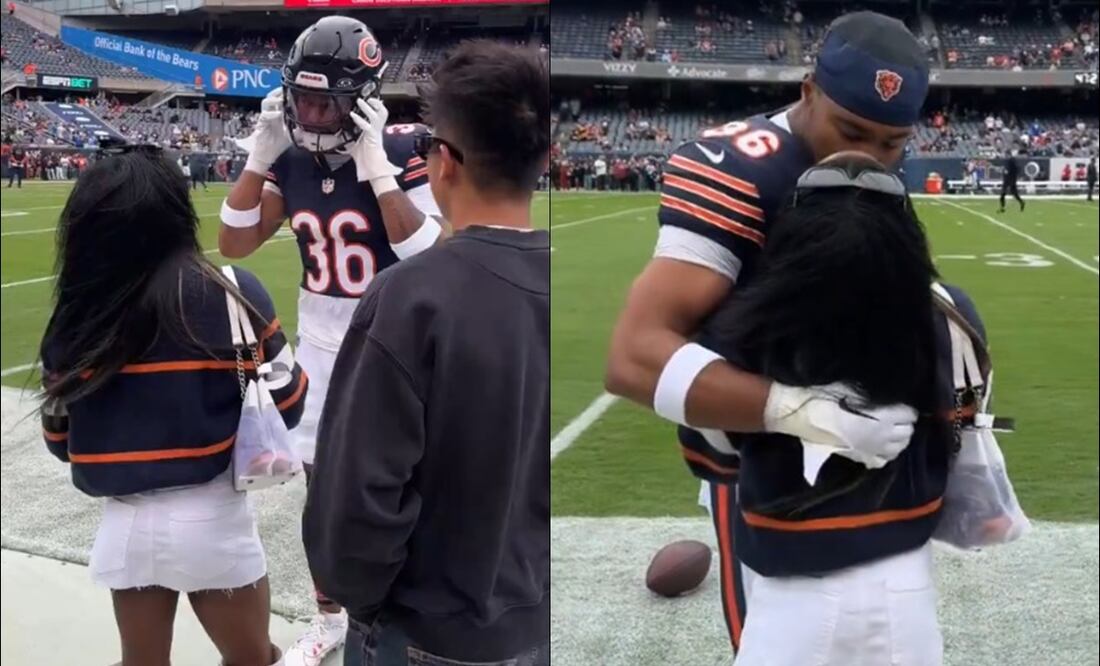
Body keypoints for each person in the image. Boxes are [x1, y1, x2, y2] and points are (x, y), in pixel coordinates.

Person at [603, 11, 929, 655]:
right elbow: (633, 359)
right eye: (851, 131)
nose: (869, 157)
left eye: (892, 144)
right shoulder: (739, 170)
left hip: (866, 462)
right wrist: (799, 410)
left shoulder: (868, 168)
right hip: (756, 461)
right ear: (808, 92)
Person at [303, 40, 550, 666]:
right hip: (534, 620)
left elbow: (356, 499)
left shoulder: (410, 295)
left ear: (444, 161)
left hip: (425, 630)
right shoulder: (556, 279)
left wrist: (359, 598)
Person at [688, 152, 984, 665]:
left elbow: (713, 453)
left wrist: (793, 412)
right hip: (906, 584)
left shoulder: (741, 324)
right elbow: (961, 423)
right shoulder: (950, 315)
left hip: (789, 592)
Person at [218, 16, 445, 666]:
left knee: (412, 482)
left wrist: (378, 170)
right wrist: (259, 158)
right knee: (324, 497)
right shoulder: (287, 155)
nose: (312, 113)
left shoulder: (403, 147)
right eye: (303, 98)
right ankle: (330, 617)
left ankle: (407, 606)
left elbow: (429, 252)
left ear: (365, 99)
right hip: (320, 347)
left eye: (327, 100)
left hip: (397, 342)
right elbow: (235, 241)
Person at [38, 146, 307, 666]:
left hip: (124, 527)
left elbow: (59, 443)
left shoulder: (75, 316)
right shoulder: (231, 291)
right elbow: (289, 404)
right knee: (254, 658)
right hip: (214, 518)